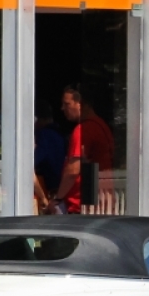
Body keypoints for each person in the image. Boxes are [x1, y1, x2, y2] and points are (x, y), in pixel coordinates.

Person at [46, 86, 114, 214]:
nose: (62, 108)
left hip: (80, 206)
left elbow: (73, 170)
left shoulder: (82, 130)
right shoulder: (102, 127)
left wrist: (58, 199)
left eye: (67, 104)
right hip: (101, 200)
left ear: (81, 104)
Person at [33, 107, 66, 212]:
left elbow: (30, 164)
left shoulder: (44, 136)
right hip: (63, 190)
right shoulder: (61, 134)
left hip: (50, 193)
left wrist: (43, 198)